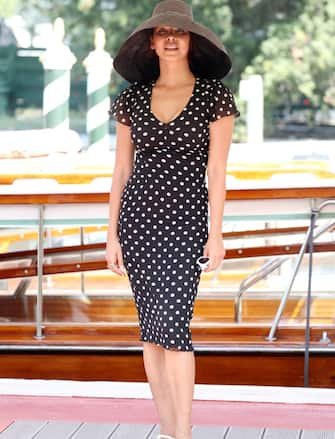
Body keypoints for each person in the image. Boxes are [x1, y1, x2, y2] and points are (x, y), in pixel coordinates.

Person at [106, 1, 240, 438]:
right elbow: (122, 171)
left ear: (191, 41)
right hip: (138, 222)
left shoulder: (214, 97)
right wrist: (112, 236)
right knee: (151, 330)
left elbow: (217, 171)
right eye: (161, 31)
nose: (169, 38)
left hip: (186, 223)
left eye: (178, 32)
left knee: (174, 327)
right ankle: (167, 429)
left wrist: (216, 234)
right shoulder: (130, 99)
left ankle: (183, 432)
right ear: (149, 41)